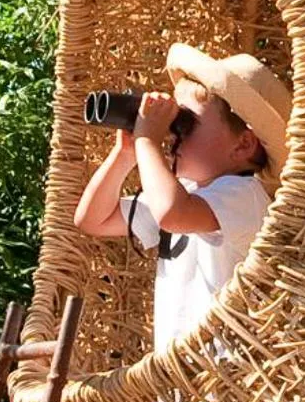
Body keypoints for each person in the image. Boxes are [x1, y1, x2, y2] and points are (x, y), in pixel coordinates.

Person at [72, 42, 291, 352]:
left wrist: (148, 140)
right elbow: (93, 219)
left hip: (224, 371)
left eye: (187, 123)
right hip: (182, 373)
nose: (173, 133)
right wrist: (125, 154)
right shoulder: (185, 192)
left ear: (243, 144)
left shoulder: (245, 194)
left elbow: (172, 215)